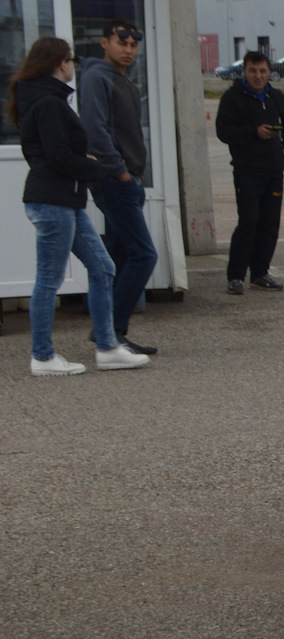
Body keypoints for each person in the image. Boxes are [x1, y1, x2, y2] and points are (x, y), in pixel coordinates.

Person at [15, 36, 147, 374]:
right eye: (71, 60)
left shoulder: (48, 100)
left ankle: (107, 347)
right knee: (49, 278)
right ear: (61, 63)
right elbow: (58, 156)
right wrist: (94, 165)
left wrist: (84, 163)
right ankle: (42, 356)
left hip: (65, 200)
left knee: (103, 267)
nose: (74, 66)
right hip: (52, 202)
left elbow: (47, 154)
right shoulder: (49, 103)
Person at [78, 19, 158, 355]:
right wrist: (121, 172)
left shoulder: (123, 80)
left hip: (129, 180)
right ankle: (112, 331)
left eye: (133, 44)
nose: (128, 49)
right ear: (104, 42)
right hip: (114, 180)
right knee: (144, 255)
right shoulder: (97, 77)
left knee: (120, 254)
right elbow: (94, 131)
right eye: (121, 42)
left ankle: (106, 332)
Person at [215, 50, 284, 295]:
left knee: (270, 224)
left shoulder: (276, 96)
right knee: (249, 221)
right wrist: (253, 132)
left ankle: (260, 273)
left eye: (262, 71)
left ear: (269, 72)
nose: (258, 76)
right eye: (253, 71)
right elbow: (223, 131)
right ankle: (236, 276)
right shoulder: (232, 97)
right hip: (247, 171)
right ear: (244, 71)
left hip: (274, 170)